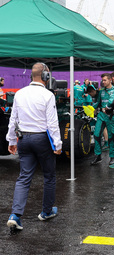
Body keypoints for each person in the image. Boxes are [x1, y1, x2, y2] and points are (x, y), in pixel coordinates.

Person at [5, 63, 62, 230]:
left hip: (24, 139)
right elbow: (52, 123)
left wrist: (12, 141)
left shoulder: (19, 94)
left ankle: (15, 215)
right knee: (49, 176)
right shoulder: (48, 95)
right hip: (42, 139)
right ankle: (46, 212)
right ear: (45, 77)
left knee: (24, 177)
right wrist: (57, 143)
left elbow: (13, 119)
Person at [91, 73, 114, 166]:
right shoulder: (101, 91)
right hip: (101, 115)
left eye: (105, 80)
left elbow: (112, 102)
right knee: (96, 135)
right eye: (102, 80)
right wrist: (90, 107)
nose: (103, 82)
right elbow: (98, 103)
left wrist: (108, 108)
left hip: (111, 116)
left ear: (110, 80)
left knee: (111, 137)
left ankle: (112, 156)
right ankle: (98, 155)